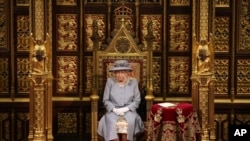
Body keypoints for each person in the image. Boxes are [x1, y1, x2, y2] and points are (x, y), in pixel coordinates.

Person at [97, 60, 144, 141]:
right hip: (113, 111)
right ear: (114, 73)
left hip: (129, 111)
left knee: (129, 123)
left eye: (122, 72)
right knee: (112, 123)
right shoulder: (110, 81)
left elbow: (137, 100)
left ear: (127, 73)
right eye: (117, 72)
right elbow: (105, 100)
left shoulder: (133, 82)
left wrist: (126, 109)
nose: (119, 75)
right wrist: (114, 109)